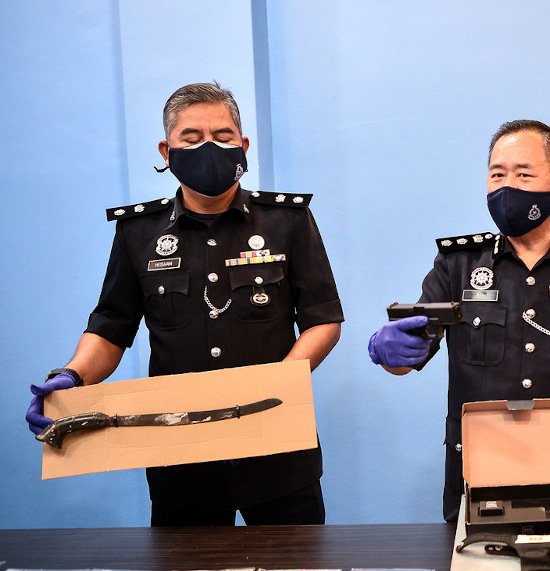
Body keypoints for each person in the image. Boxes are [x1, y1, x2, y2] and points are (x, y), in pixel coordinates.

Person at [25, 82, 344, 526]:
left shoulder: (286, 220)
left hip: (277, 447)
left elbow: (323, 320)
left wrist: (278, 385)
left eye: (223, 136)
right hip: (179, 459)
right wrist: (71, 376)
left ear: (244, 145)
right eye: (191, 140)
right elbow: (111, 327)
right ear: (166, 150)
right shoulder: (138, 232)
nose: (209, 148)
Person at [368, 120, 550, 522]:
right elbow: (407, 358)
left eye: (523, 174)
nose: (506, 185)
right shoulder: (457, 266)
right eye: (497, 174)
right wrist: (387, 350)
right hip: (477, 475)